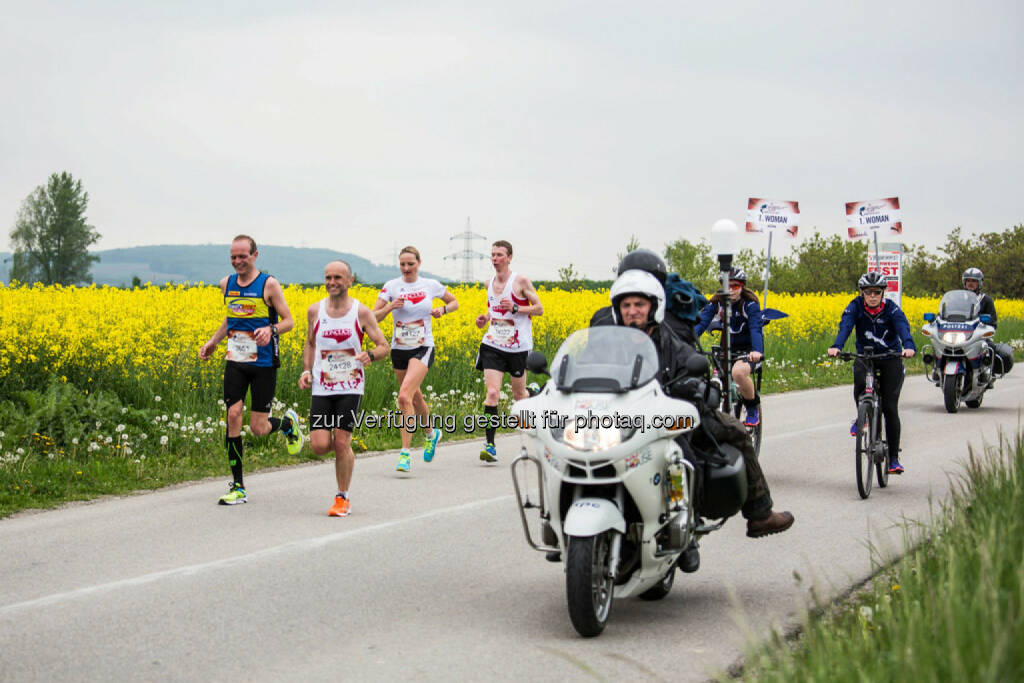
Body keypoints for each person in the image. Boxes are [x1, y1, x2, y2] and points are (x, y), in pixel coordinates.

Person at [592, 268, 794, 570]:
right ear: (617, 307)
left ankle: (697, 524)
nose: (633, 311)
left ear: (652, 306)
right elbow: (581, 369)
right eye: (626, 305)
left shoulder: (668, 336)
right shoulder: (604, 337)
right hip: (617, 420)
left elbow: (689, 362)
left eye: (639, 305)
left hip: (663, 418)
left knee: (691, 451)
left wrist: (698, 387)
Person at [199, 235, 303, 505]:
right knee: (233, 414)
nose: (237, 262)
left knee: (258, 428)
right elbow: (231, 318)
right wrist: (213, 342)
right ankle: (238, 486)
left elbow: (289, 321)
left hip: (263, 364)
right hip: (235, 362)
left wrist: (271, 329)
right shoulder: (227, 284)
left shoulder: (268, 284)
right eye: (233, 257)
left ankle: (288, 425)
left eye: (243, 256)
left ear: (255, 255)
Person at [299, 260, 389, 516]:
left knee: (340, 441)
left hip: (351, 386)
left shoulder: (361, 312)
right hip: (322, 387)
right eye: (328, 277)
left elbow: (384, 346)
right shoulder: (315, 310)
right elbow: (310, 343)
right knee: (318, 446)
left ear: (350, 281)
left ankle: (342, 498)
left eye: (338, 277)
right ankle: (342, 449)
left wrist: (370, 355)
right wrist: (306, 371)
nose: (332, 283)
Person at [374, 246, 458, 473]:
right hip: (399, 348)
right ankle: (432, 433)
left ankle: (404, 454)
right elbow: (374, 317)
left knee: (403, 397)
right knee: (415, 398)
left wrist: (443, 310)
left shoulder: (430, 285)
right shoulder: (391, 286)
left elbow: (454, 302)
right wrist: (391, 306)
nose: (406, 268)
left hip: (423, 347)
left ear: (419, 263)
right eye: (402, 264)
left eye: (410, 264)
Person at [827, 272, 916, 474]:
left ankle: (893, 458)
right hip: (866, 357)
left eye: (877, 292)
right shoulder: (855, 306)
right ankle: (862, 415)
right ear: (863, 293)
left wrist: (908, 346)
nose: (873, 296)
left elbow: (903, 329)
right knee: (859, 381)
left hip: (890, 358)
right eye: (869, 292)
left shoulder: (892, 309)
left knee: (890, 408)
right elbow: (846, 326)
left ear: (883, 293)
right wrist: (836, 346)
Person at [474, 240, 543, 463]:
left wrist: (516, 308)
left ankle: (533, 393)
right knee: (492, 393)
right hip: (493, 345)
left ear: (510, 257)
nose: (495, 258)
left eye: (500, 255)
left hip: (518, 348)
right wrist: (485, 318)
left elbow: (539, 309)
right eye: (492, 255)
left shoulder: (520, 281)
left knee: (518, 397)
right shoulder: (489, 283)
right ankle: (490, 445)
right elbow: (492, 309)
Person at [694, 267, 764, 427]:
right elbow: (702, 322)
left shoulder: (750, 305)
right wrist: (685, 340)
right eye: (727, 286)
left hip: (748, 351)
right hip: (725, 350)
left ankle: (753, 407)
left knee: (738, 373)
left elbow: (755, 329)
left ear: (743, 286)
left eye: (735, 286)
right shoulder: (717, 302)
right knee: (711, 379)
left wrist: (757, 351)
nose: (731, 290)